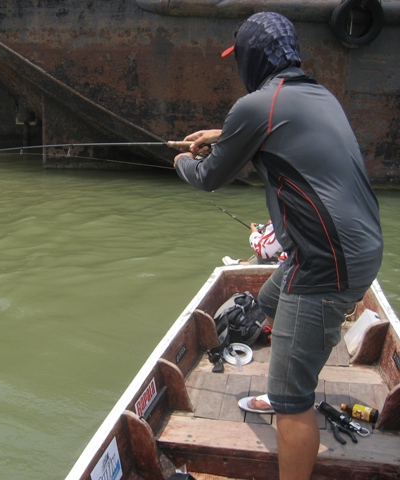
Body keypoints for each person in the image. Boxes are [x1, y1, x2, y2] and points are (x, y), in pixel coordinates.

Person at [173, 12, 383, 480]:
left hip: (326, 265)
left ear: (252, 58)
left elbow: (209, 176)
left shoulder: (254, 106)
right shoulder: (315, 95)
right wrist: (220, 135)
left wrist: (181, 160)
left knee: (293, 403)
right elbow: (267, 134)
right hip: (360, 249)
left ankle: (288, 394)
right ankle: (286, 373)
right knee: (264, 303)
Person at [223, 220, 287, 265]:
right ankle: (248, 264)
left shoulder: (282, 219)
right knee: (277, 248)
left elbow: (263, 250)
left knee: (267, 252)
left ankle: (244, 265)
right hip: (289, 254)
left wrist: (254, 233)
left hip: (288, 266)